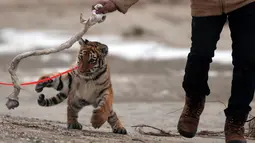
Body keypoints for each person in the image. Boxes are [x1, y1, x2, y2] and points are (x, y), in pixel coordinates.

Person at [92, 0, 255, 143]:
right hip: (205, 4)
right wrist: (117, 2)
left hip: (245, 3)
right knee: (200, 55)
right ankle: (194, 103)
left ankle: (236, 120)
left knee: (247, 59)